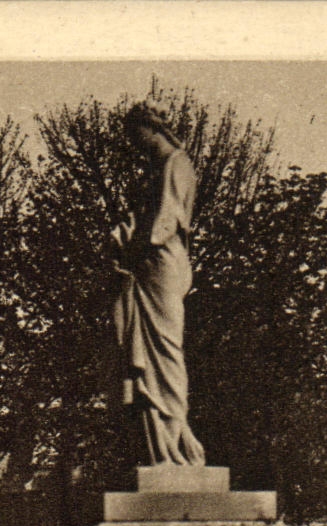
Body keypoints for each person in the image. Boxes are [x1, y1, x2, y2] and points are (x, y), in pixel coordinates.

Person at [112, 102, 205, 466]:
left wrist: (132, 246)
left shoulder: (175, 163)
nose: (135, 144)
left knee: (165, 350)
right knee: (151, 354)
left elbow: (165, 222)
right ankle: (163, 445)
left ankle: (178, 440)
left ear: (151, 128)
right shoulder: (155, 169)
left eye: (136, 135)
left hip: (162, 262)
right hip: (148, 265)